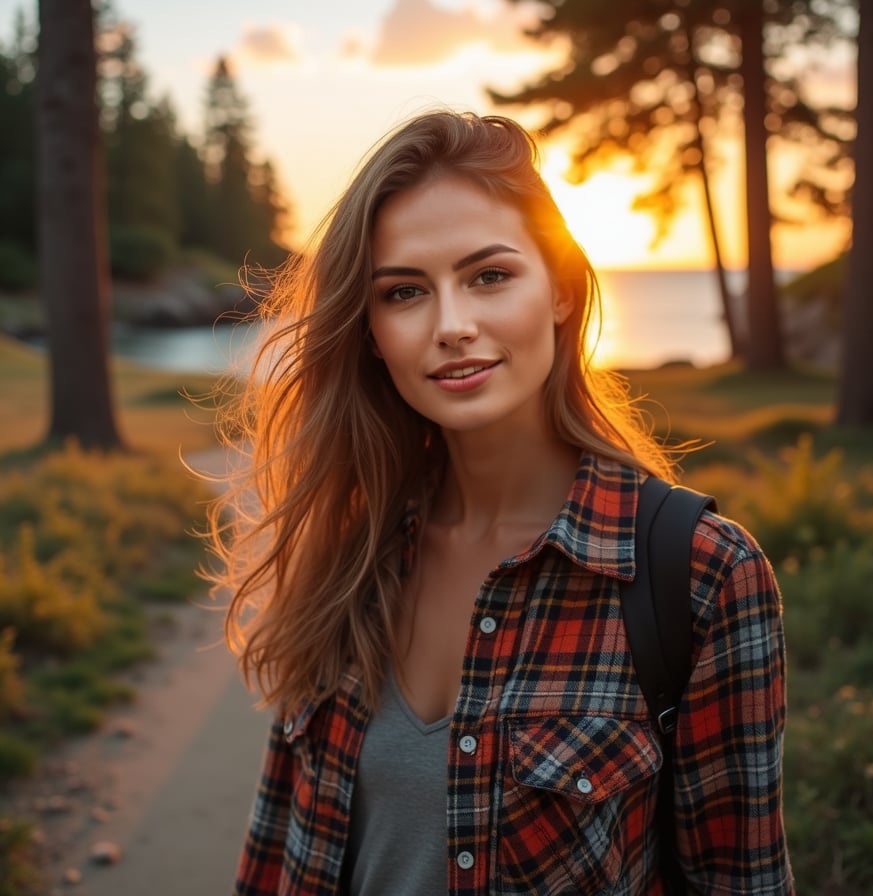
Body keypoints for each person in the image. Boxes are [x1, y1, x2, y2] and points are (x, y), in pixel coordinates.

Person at [205, 110, 794, 895]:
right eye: (406, 291)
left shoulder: (700, 574)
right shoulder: (353, 546)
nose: (453, 326)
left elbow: (741, 880)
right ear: (372, 331)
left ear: (560, 289)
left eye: (490, 276)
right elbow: (276, 853)